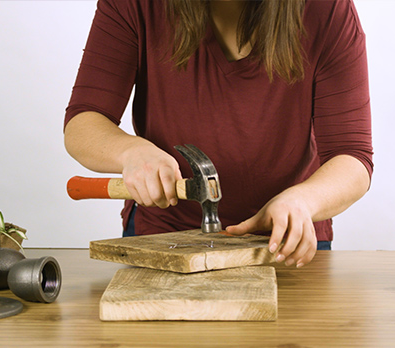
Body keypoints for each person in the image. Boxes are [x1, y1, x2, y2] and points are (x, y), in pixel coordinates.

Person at [64, 0, 373, 268]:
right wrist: (130, 152)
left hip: (286, 243)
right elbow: (83, 124)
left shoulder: (327, 10)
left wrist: (303, 202)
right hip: (163, 237)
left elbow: (353, 158)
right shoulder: (135, 5)